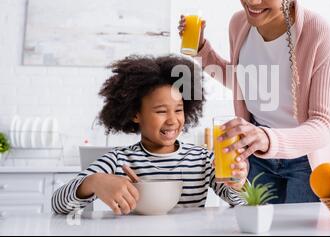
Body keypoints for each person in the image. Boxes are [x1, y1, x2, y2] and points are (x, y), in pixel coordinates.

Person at [178, 0, 330, 203]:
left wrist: (266, 138)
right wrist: (202, 49)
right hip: (257, 157)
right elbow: (247, 83)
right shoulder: (239, 24)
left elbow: (322, 125)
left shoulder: (317, 32)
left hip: (306, 162)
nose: (252, 0)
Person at [51, 55, 247, 215]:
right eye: (161, 111)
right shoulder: (118, 160)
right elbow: (58, 204)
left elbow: (240, 202)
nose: (172, 120)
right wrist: (94, 182)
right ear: (136, 114)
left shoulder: (202, 159)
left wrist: (237, 181)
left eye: (178, 110)